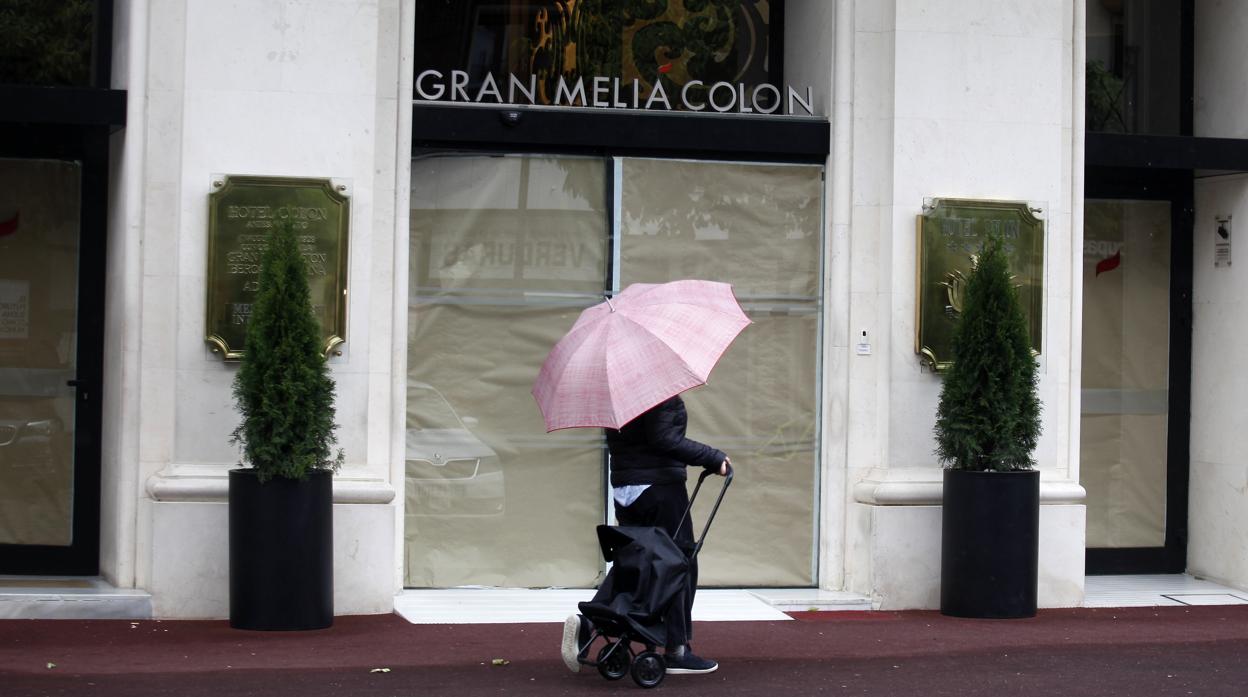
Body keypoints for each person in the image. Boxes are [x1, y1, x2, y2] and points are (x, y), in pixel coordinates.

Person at [561, 394, 730, 676]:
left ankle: (592, 622)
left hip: (627, 491)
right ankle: (677, 649)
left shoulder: (617, 395)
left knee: (638, 564)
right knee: (678, 564)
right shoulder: (658, 392)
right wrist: (713, 458)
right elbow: (664, 439)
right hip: (659, 489)